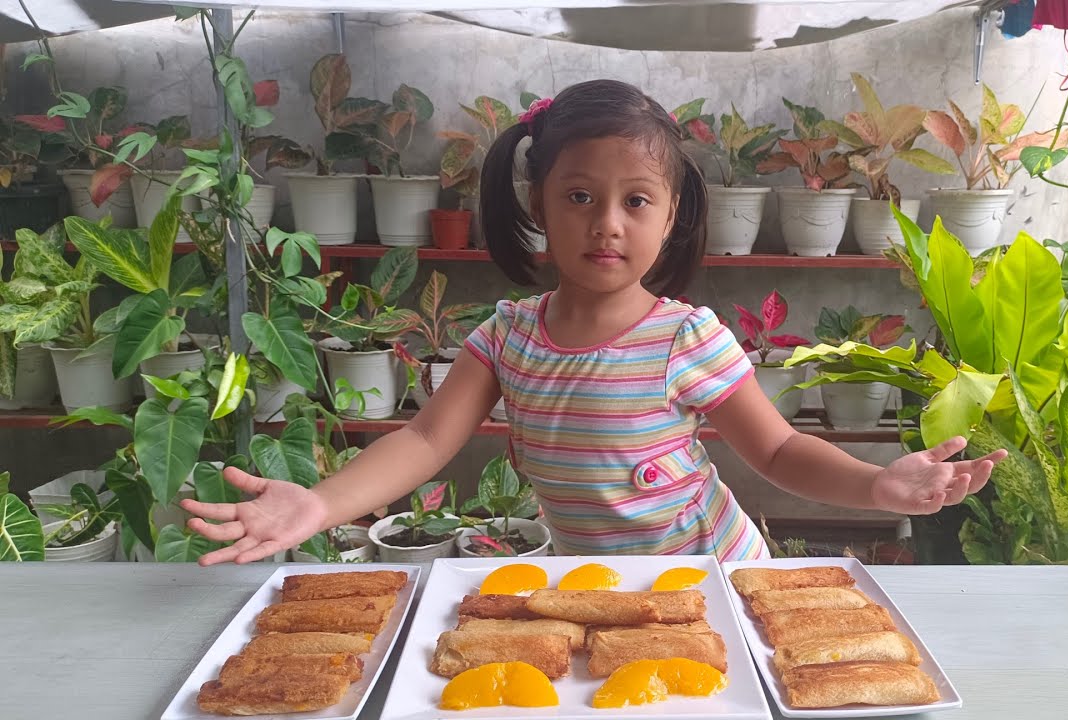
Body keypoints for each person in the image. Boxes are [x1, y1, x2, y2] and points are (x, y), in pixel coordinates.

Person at [181, 79, 1005, 565]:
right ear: (538, 202)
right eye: (579, 196)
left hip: (713, 577)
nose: (606, 223)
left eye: (636, 200)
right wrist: (319, 505)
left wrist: (874, 483)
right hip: (595, 584)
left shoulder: (685, 338)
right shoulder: (507, 338)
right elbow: (425, 440)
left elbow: (780, 451)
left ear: (672, 216)